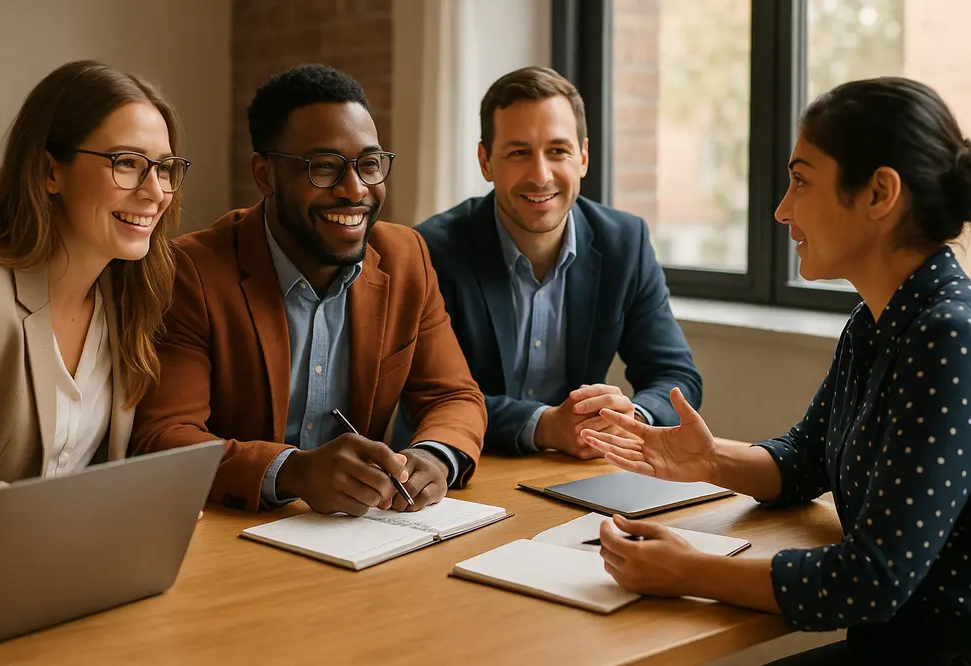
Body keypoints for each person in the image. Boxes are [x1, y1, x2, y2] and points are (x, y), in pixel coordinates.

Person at [582, 77, 971, 664]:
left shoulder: (949, 337)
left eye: (801, 180)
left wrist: (689, 570)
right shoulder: (874, 321)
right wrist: (709, 460)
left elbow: (874, 578)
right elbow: (805, 460)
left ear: (879, 193)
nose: (782, 209)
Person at [131, 64, 486, 516]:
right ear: (265, 175)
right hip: (230, 530)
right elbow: (164, 437)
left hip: (360, 533)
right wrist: (293, 471)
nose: (355, 190)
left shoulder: (405, 257)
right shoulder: (191, 271)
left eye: (369, 164)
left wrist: (434, 455)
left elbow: (454, 396)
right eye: (325, 167)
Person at [394, 66, 701, 458]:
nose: (540, 176)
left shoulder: (625, 243)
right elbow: (426, 395)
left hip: (570, 472)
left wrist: (630, 418)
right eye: (518, 153)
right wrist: (544, 426)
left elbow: (676, 376)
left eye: (558, 151)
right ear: (485, 162)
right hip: (455, 470)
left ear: (583, 157)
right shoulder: (431, 251)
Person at [0, 60, 189, 548]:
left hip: (73, 571)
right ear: (51, 171)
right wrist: (115, 515)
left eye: (164, 167)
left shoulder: (130, 298)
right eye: (127, 162)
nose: (155, 192)